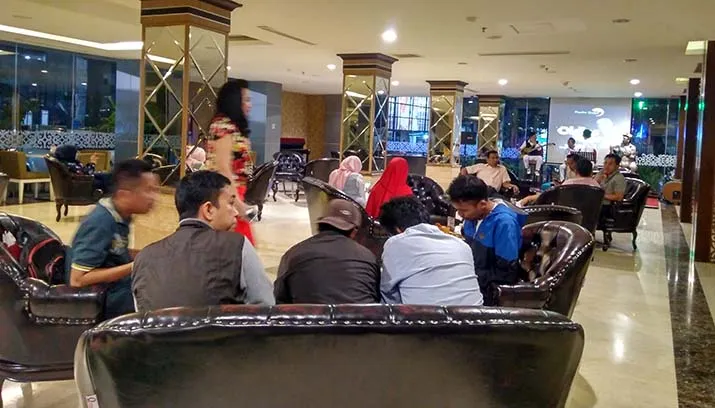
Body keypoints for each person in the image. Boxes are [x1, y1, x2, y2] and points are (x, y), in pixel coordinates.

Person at [132, 171, 274, 312]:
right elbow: (266, 309)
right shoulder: (236, 245)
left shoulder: (143, 258)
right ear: (208, 209)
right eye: (231, 203)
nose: (236, 213)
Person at [68, 159, 159, 318]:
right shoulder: (101, 222)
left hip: (118, 288)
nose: (154, 197)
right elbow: (77, 280)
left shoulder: (121, 216)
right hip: (103, 300)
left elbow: (115, 251)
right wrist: (136, 265)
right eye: (148, 190)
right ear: (124, 195)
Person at [379, 196, 482, 306]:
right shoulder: (461, 245)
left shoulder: (395, 243)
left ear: (397, 229)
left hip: (428, 316)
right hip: (478, 314)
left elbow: (388, 294)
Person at [274, 199, 379, 304]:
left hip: (309, 314)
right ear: (354, 231)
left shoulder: (293, 254)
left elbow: (279, 300)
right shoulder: (368, 257)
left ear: (320, 224)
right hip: (360, 314)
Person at [447, 175, 525, 305]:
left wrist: (467, 276)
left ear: (482, 204)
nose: (460, 215)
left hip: (485, 291)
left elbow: (506, 273)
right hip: (468, 279)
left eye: (463, 210)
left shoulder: (504, 223)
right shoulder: (472, 217)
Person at [205, 79, 254, 244]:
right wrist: (237, 204)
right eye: (246, 100)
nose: (249, 105)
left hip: (234, 192)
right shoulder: (223, 126)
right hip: (226, 193)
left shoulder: (232, 126)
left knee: (238, 245)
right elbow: (223, 167)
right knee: (239, 244)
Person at [518, 156, 602, 206]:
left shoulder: (569, 184)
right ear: (591, 172)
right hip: (590, 223)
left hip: (567, 220)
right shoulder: (597, 187)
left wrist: (529, 198)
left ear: (576, 170)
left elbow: (549, 196)